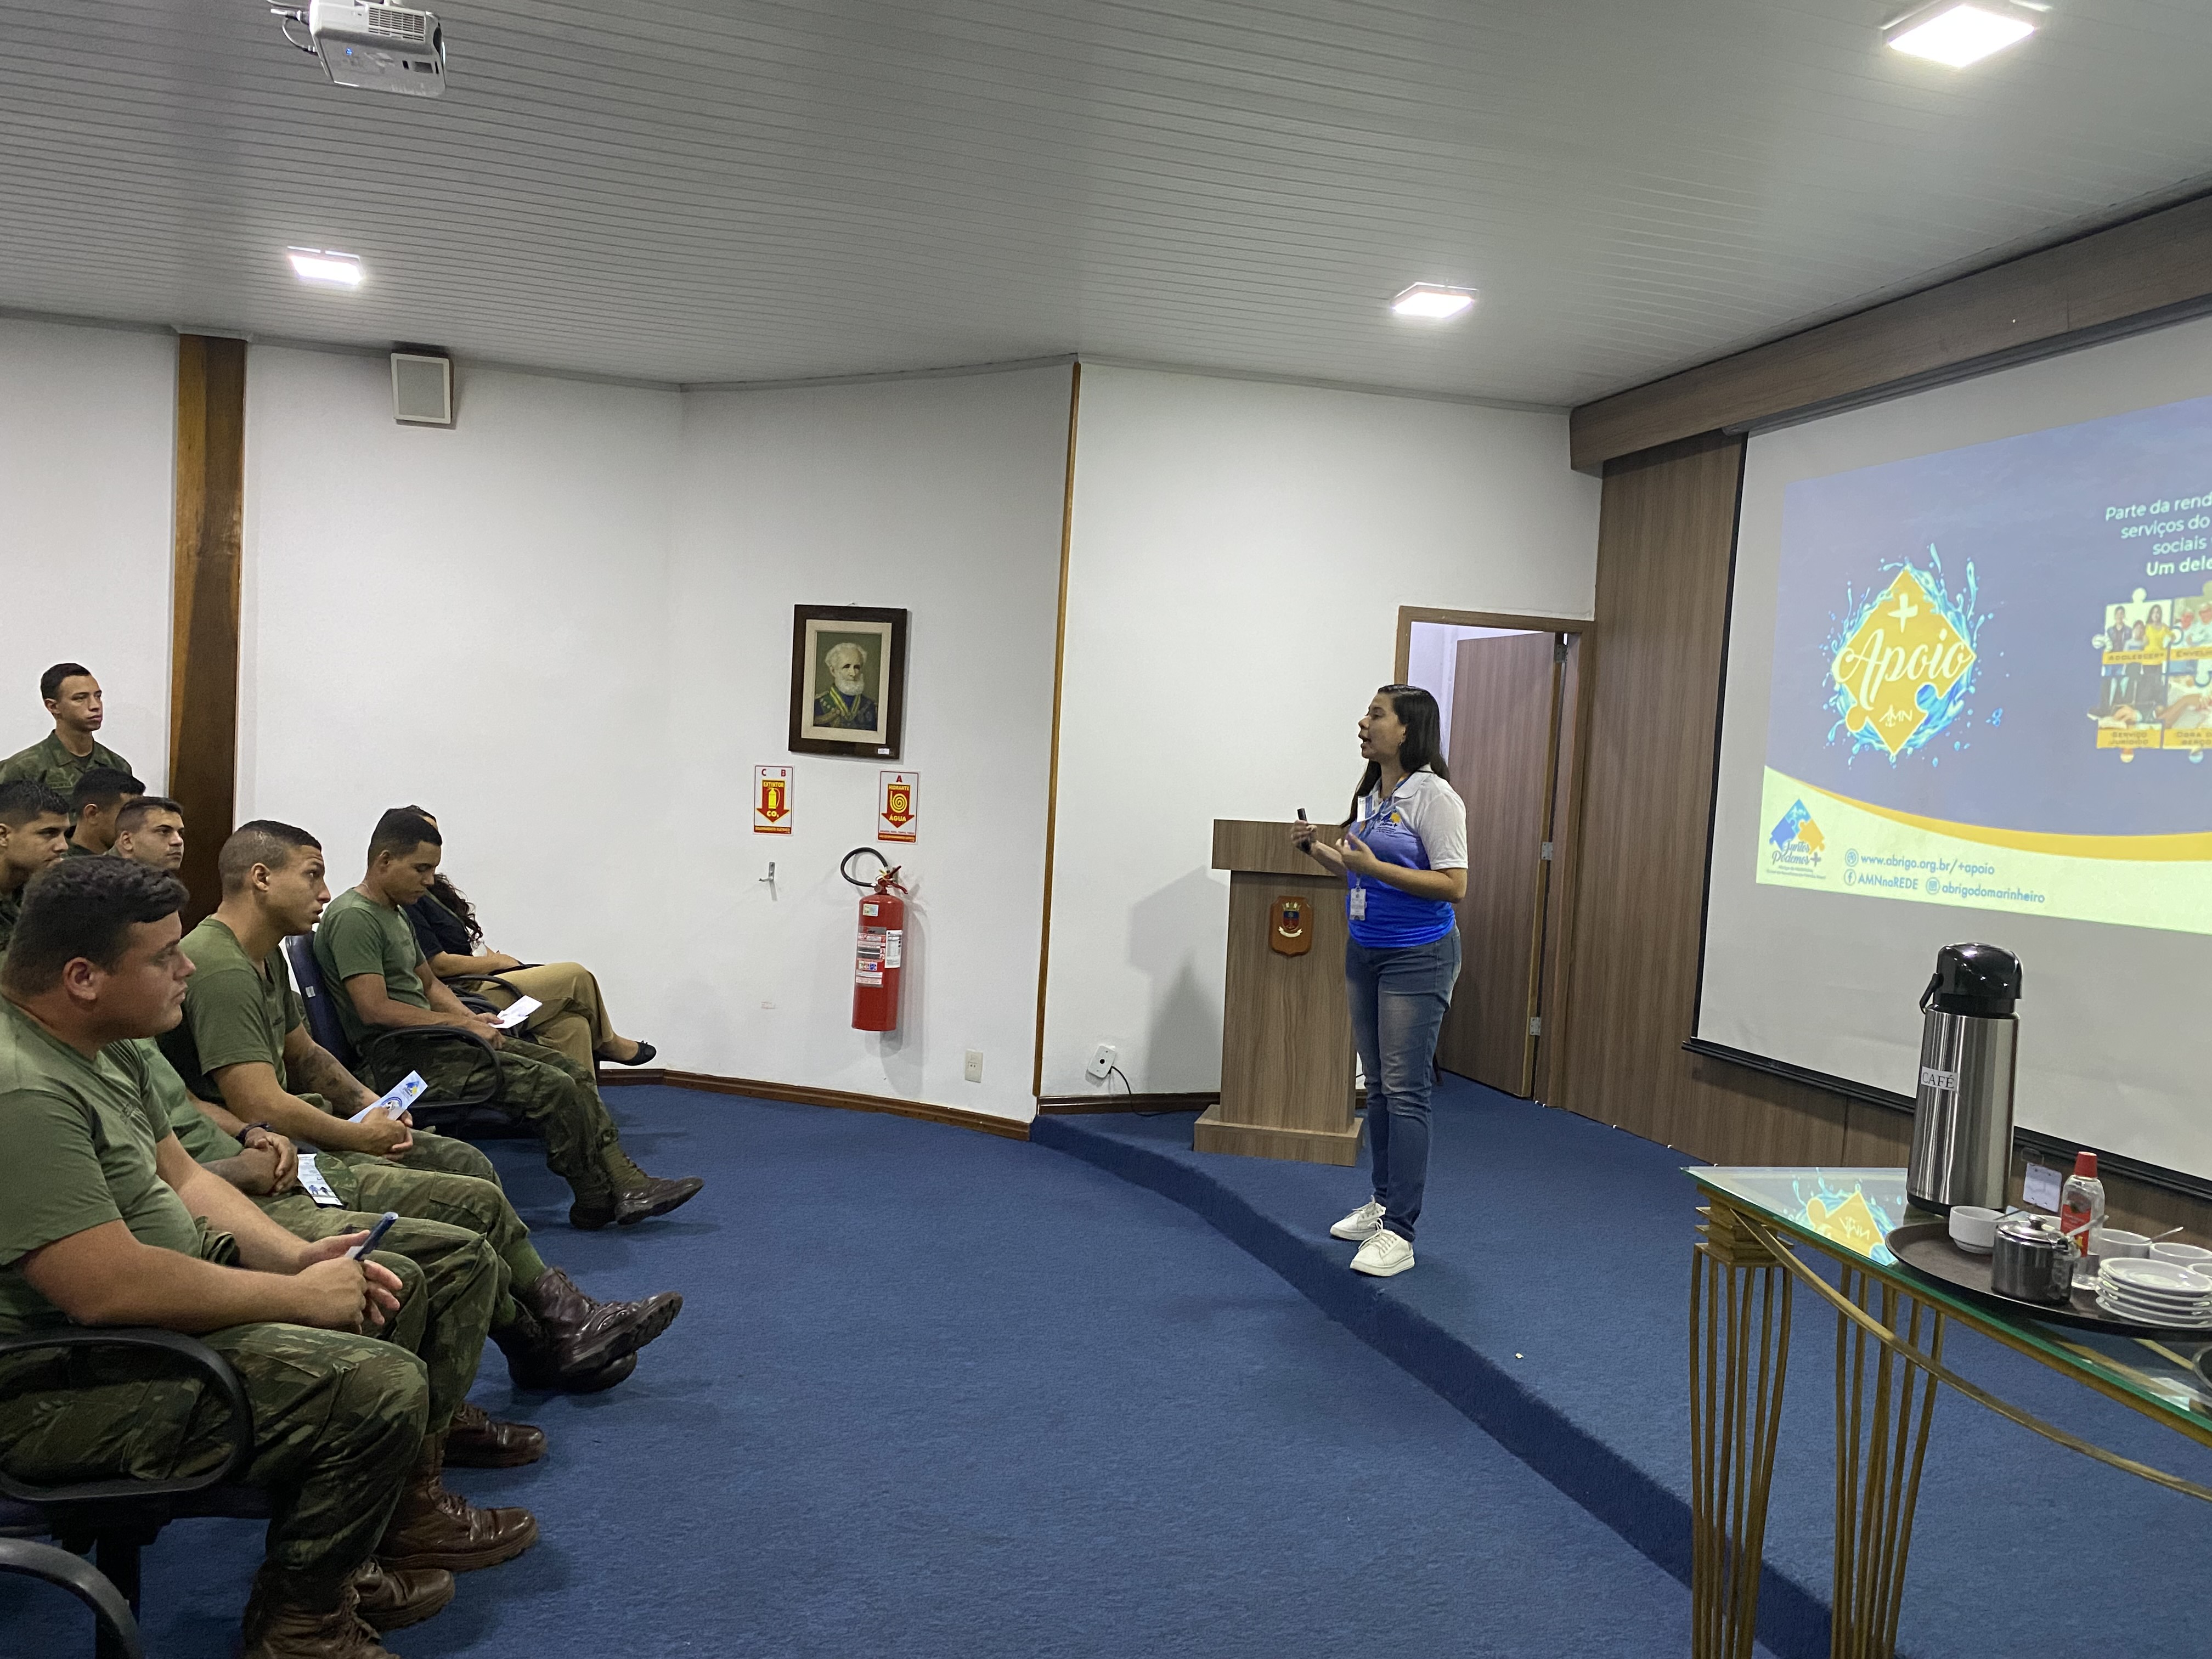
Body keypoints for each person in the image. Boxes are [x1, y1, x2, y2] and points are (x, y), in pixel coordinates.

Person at [0, 857, 532, 1657]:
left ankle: (359, 1553)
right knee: (376, 1384)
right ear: (83, 978)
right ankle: (300, 1628)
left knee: (393, 1283)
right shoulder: (24, 1091)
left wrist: (298, 1258)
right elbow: (105, 1289)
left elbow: (185, 1179)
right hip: (56, 1378)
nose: (187, 968)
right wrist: (297, 1299)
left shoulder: (105, 1042)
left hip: (137, 1320)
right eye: (164, 957)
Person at [165, 819, 685, 1391]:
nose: (324, 892)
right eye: (312, 876)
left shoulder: (264, 957)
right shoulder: (221, 966)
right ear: (261, 878)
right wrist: (358, 1135)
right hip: (269, 1156)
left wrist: (371, 1106)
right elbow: (259, 1104)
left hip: (296, 1136)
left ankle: (560, 1324)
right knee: (473, 1204)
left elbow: (307, 1055)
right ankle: (546, 1336)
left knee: (468, 1164)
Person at [316, 809, 702, 1229]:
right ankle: (596, 1195)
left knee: (570, 1069)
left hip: (430, 1044)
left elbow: (429, 984)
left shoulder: (393, 913)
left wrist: (474, 1019)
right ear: (385, 861)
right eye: (421, 869)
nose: (429, 881)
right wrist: (463, 1026)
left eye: (433, 870)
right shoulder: (354, 917)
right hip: (397, 1059)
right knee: (552, 1087)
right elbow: (374, 1009)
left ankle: (624, 1184)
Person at [1294, 684, 1468, 1280]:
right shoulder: (1373, 793)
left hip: (1418, 955)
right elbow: (1361, 873)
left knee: (1406, 1088)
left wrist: (1374, 866)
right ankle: (1383, 1202)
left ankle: (1401, 1232)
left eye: (1376, 715)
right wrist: (1318, 851)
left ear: (1407, 730)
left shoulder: (1434, 796)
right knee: (1380, 1088)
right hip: (1365, 949)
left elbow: (1454, 885)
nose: (1363, 723)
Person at [398, 808, 655, 1073]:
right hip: (465, 993)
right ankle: (608, 1043)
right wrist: (496, 963)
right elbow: (437, 965)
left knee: (574, 1025)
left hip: (482, 979)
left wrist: (493, 959)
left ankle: (580, 1099)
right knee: (578, 976)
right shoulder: (407, 898)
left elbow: (467, 943)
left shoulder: (436, 889)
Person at [0, 662, 135, 795]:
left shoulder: (117, 766)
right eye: (80, 698)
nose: (95, 706)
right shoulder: (23, 769)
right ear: (53, 706)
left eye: (98, 696)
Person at [0, 780, 70, 945]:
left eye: (64, 834)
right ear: (3, 836)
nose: (63, 846)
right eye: (49, 833)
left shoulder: (44, 890)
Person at [66, 765, 143, 857]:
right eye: (127, 815)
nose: (138, 823)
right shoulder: (60, 863)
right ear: (92, 814)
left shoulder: (135, 857)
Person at [812, 640, 879, 729]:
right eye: (847, 667)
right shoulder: (817, 705)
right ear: (833, 671)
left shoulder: (871, 707)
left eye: (857, 667)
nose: (853, 674)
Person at [113, 793, 187, 871]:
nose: (179, 841)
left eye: (180, 833)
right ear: (127, 841)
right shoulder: (105, 876)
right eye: (164, 832)